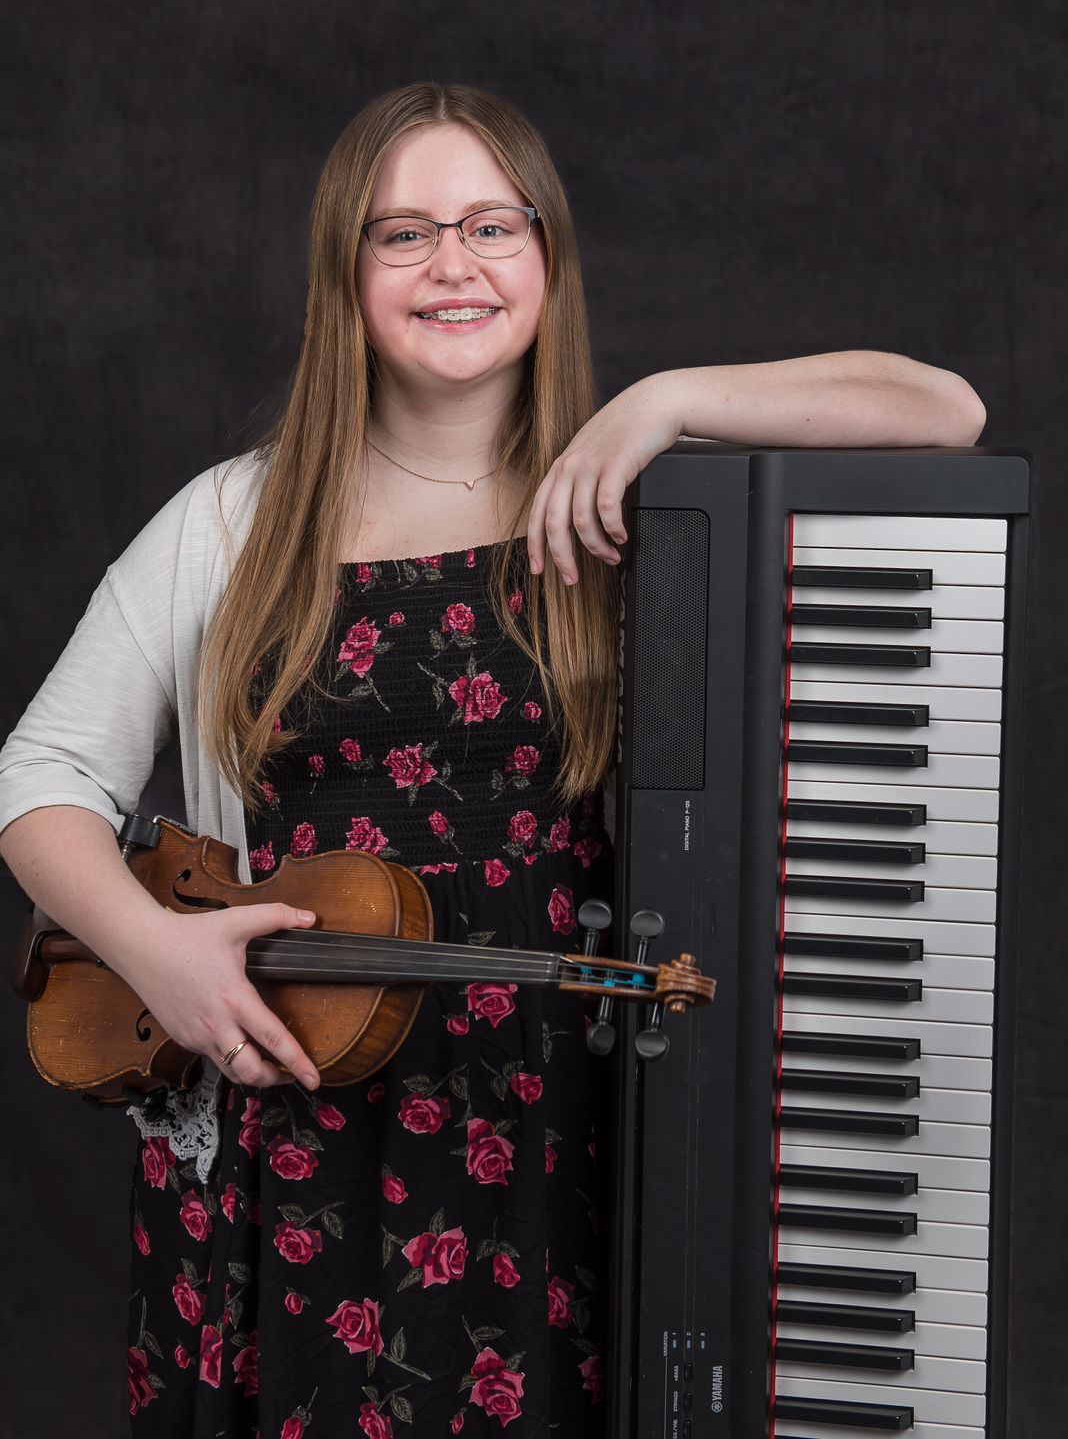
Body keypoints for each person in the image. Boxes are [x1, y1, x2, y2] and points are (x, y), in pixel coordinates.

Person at [0, 80, 987, 1438]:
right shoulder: (231, 519)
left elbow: (944, 409)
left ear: (546, 255)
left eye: (490, 226)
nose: (451, 265)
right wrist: (159, 953)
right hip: (297, 1103)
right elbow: (42, 773)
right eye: (402, 234)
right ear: (345, 272)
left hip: (564, 1112)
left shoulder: (639, 498)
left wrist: (666, 400)